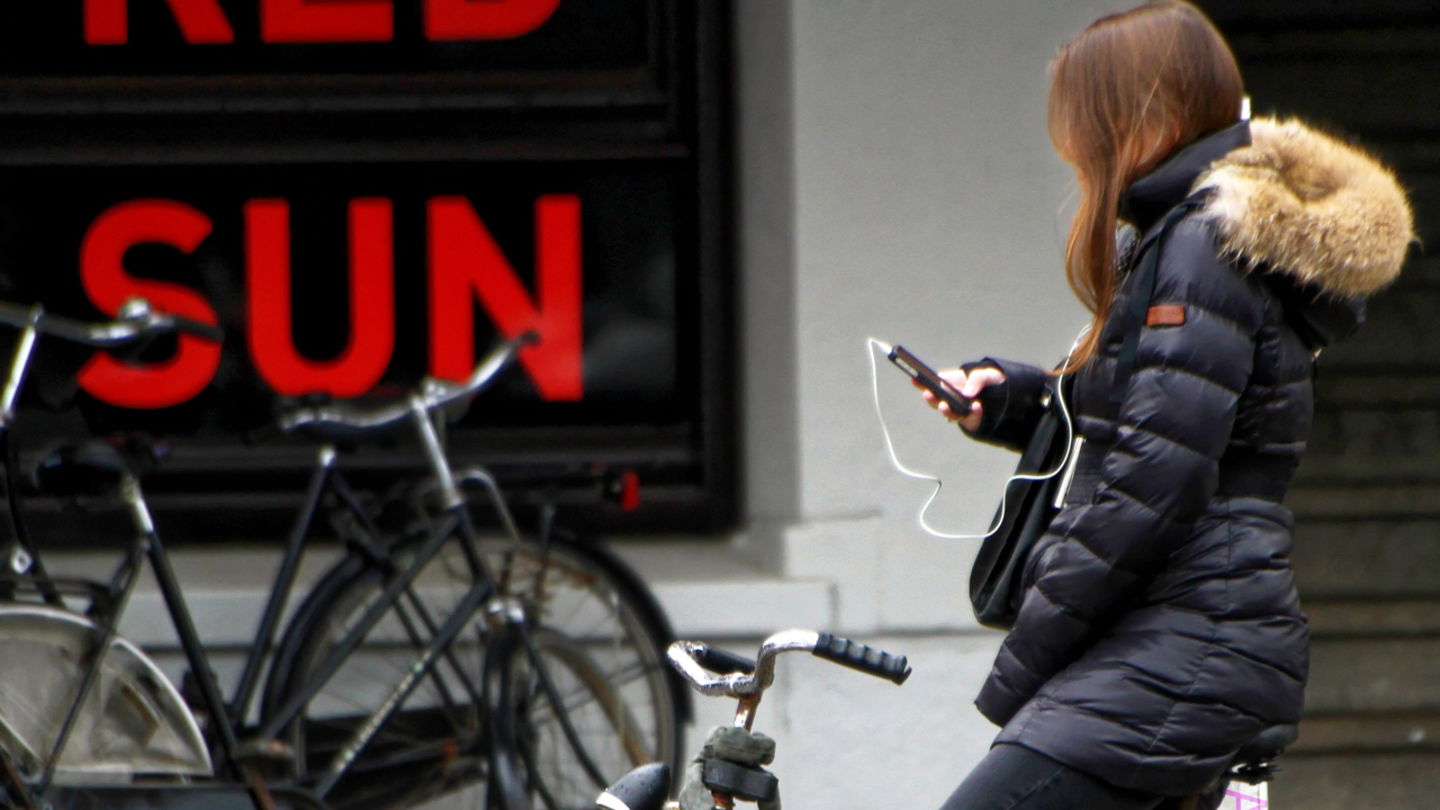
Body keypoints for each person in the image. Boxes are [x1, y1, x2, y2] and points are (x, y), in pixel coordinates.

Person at [918, 2, 1415, 809]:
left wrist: (1032, 654)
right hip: (1186, 636)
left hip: (1182, 645)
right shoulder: (1189, 237)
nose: (1074, 150)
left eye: (1083, 125)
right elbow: (1159, 420)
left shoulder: (1201, 245)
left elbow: (1153, 480)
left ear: (1135, 116)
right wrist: (1012, 402)